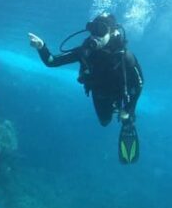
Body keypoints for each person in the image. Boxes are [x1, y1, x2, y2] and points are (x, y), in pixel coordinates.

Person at [28, 13, 144, 163]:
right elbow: (52, 61)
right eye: (92, 30)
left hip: (120, 94)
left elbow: (139, 84)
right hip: (98, 93)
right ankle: (120, 114)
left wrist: (128, 109)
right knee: (104, 122)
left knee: (124, 116)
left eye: (101, 30)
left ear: (113, 32)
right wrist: (41, 47)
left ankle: (128, 123)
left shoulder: (125, 57)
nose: (95, 36)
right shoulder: (84, 52)